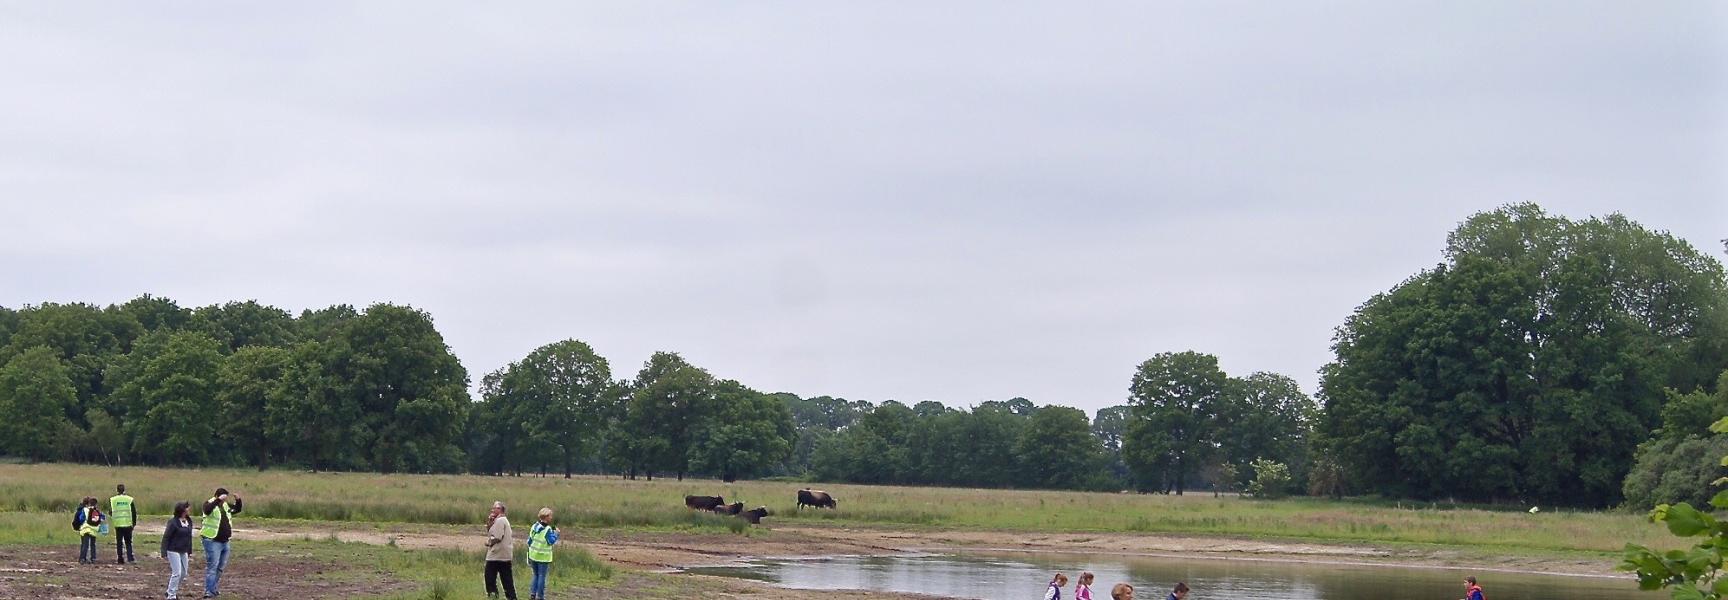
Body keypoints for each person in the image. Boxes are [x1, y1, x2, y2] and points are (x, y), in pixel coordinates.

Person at [200, 487, 243, 598]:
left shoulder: (225, 505)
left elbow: (237, 509)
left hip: (225, 541)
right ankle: (208, 591)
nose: (224, 500)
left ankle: (213, 588)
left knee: (220, 567)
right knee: (212, 567)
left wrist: (238, 500)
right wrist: (217, 500)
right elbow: (207, 510)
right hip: (212, 540)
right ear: (217, 496)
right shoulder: (209, 504)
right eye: (223, 498)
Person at [484, 501, 518, 600]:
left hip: (496, 555)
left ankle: (493, 596)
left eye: (495, 508)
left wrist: (489, 543)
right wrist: (490, 523)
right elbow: (492, 532)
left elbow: (497, 537)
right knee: (507, 581)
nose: (492, 510)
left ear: (500, 509)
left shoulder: (500, 521)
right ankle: (512, 598)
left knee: (489, 579)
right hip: (505, 555)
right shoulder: (502, 520)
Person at [161, 501, 195, 600]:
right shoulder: (173, 522)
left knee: (184, 573)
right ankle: (171, 595)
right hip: (173, 549)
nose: (189, 509)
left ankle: (170, 590)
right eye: (187, 508)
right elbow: (166, 537)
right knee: (177, 573)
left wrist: (189, 550)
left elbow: (189, 537)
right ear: (182, 510)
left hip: (184, 550)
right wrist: (163, 551)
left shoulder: (189, 521)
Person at [526, 507, 560, 600]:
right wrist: (556, 534)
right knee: (542, 576)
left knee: (535, 575)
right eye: (550, 516)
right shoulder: (547, 529)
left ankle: (533, 594)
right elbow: (551, 541)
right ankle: (540, 596)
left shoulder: (534, 526)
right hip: (543, 557)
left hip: (533, 555)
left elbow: (529, 541)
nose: (551, 518)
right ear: (546, 517)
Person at [110, 483, 137, 564]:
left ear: (117, 490)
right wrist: (134, 523)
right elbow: (133, 512)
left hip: (118, 524)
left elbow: (111, 511)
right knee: (128, 542)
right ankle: (130, 558)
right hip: (128, 523)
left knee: (119, 543)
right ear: (124, 490)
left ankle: (120, 559)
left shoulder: (113, 500)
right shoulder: (129, 499)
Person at [75, 497, 106, 564]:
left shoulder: (85, 510)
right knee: (93, 545)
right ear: (96, 504)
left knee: (85, 545)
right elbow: (103, 517)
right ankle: (93, 558)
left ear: (89, 503)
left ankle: (83, 558)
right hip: (94, 530)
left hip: (85, 529)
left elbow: (81, 519)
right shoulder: (97, 511)